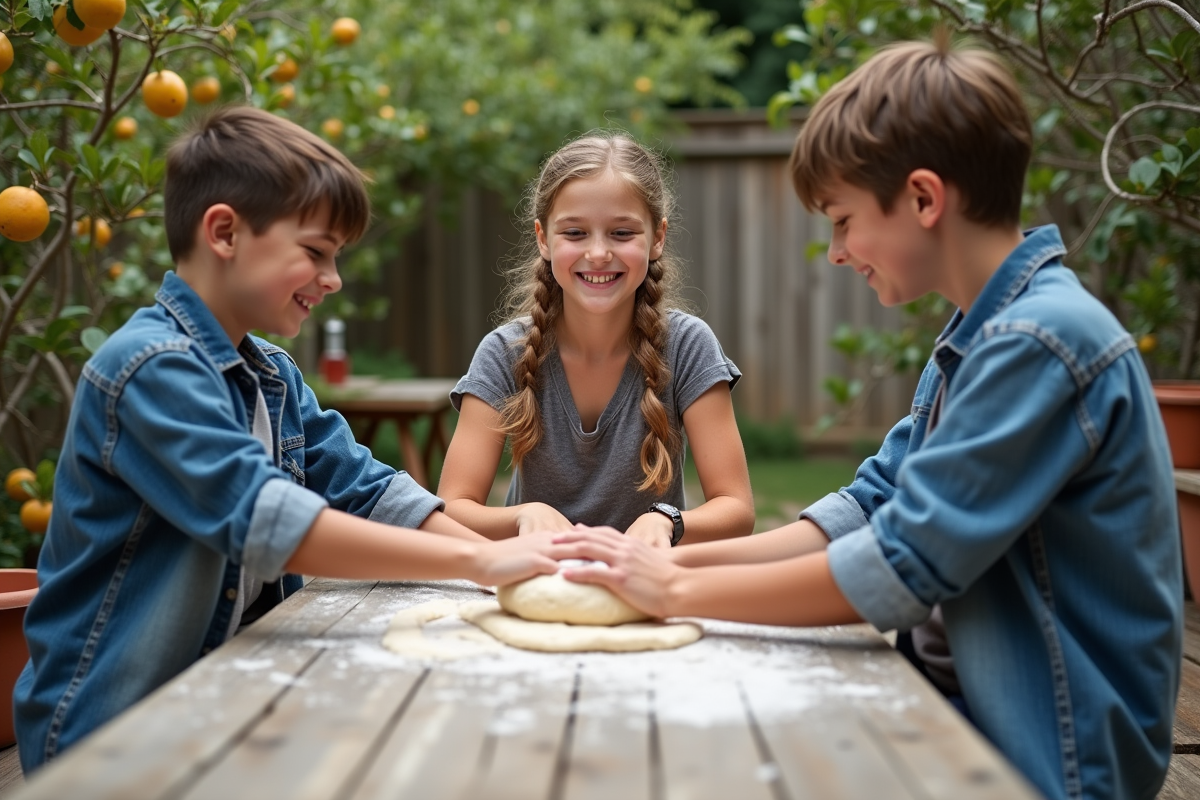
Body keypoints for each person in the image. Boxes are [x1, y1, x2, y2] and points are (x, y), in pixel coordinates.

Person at [556, 38, 1183, 800]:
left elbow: (898, 567)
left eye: (844, 220)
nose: (837, 252)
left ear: (923, 199)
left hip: (1051, 758)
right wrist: (663, 563)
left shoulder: (1039, 344)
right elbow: (869, 505)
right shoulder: (979, 334)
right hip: (968, 714)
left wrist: (675, 594)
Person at [13, 106, 585, 773]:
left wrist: (499, 578)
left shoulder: (272, 375)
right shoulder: (147, 368)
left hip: (218, 703)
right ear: (224, 232)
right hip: (110, 733)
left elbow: (368, 489)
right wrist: (480, 564)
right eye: (315, 252)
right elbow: (270, 522)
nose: (334, 279)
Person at [437, 131, 754, 548]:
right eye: (575, 233)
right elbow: (453, 506)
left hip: (644, 589)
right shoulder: (504, 353)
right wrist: (524, 516)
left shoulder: (688, 346)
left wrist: (666, 521)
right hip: (534, 583)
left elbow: (736, 507)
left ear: (657, 237)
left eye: (622, 233)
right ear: (543, 238)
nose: (599, 253)